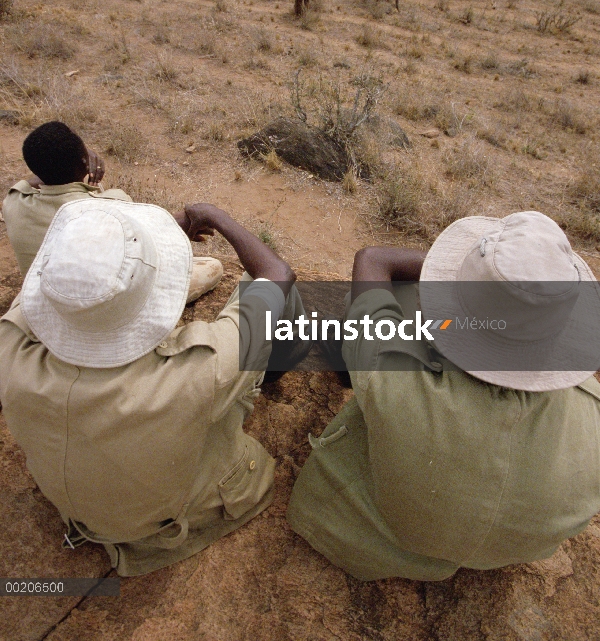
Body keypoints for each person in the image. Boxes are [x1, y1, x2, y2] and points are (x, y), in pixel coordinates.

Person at [287, 211, 600, 581]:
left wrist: (463, 276)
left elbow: (373, 259)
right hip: (503, 554)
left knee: (386, 307)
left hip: (372, 534)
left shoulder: (395, 380)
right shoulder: (591, 411)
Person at [0, 198, 305, 576]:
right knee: (272, 301)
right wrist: (216, 217)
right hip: (162, 523)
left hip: (75, 507)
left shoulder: (8, 345)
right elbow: (277, 275)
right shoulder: (196, 373)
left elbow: (36, 295)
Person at [2, 120, 223, 301]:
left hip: (46, 298)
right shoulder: (112, 203)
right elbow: (147, 238)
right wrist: (185, 221)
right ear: (84, 161)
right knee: (213, 266)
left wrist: (72, 159)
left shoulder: (13, 203)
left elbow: (34, 180)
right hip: (103, 303)